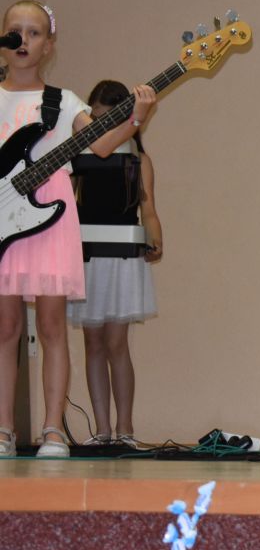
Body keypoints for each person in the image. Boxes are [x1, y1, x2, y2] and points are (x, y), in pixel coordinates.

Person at [0, 1, 155, 458]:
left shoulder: (63, 101)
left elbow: (102, 145)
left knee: (52, 325)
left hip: (49, 218)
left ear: (49, 46)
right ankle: (3, 429)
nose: (24, 40)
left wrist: (137, 116)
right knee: (6, 327)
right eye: (15, 31)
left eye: (34, 33)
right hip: (5, 218)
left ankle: (52, 429)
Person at [68, 79, 163, 449]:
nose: (102, 125)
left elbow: (148, 208)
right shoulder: (78, 157)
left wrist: (155, 238)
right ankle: (102, 429)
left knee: (116, 342)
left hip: (122, 256)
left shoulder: (138, 158)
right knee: (92, 342)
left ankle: (126, 429)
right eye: (97, 118)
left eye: (111, 118)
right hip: (86, 255)